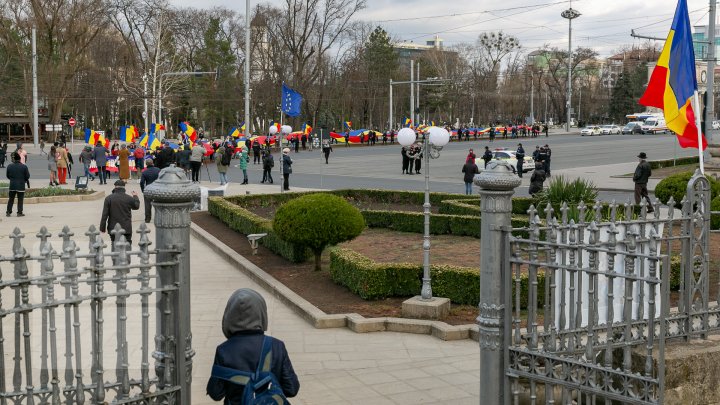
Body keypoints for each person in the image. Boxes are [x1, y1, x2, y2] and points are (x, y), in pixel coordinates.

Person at [206, 288, 300, 404]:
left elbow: (215, 393)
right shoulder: (276, 346)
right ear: (261, 313)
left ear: (229, 316)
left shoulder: (223, 350)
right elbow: (291, 389)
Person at [99, 180, 140, 248]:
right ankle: (127, 257)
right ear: (124, 188)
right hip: (126, 228)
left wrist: (102, 228)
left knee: (114, 244)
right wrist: (135, 196)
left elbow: (105, 215)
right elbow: (136, 206)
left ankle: (114, 257)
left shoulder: (108, 198)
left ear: (115, 187)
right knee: (127, 244)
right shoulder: (129, 198)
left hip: (113, 228)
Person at [6, 152, 30, 217]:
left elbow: (7, 176)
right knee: (20, 199)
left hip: (12, 185)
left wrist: (12, 179)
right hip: (21, 185)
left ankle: (8, 212)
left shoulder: (9, 166)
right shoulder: (24, 167)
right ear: (19, 159)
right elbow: (27, 176)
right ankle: (19, 212)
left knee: (11, 199)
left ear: (14, 159)